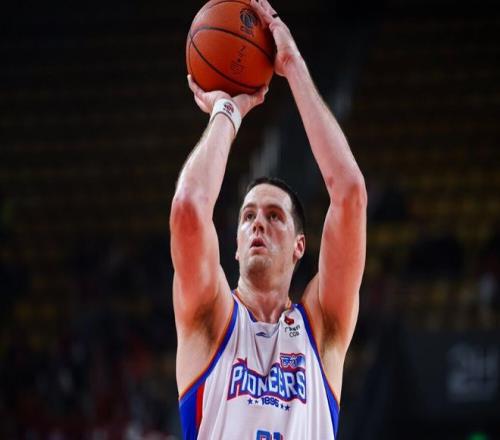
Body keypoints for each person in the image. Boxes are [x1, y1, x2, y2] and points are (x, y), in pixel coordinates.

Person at [170, 0, 367, 438]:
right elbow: (188, 207)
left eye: (274, 216)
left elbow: (350, 193)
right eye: (248, 216)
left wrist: (292, 66)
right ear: (235, 246)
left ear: (300, 246)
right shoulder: (210, 317)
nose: (258, 223)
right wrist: (227, 112)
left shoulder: (323, 327)